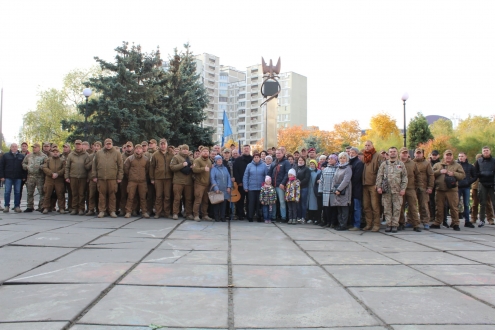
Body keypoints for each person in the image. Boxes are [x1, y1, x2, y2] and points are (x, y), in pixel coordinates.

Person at [430, 150, 465, 231]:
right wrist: (439, 171)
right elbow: (431, 174)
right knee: (439, 207)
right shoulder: (437, 165)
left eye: (450, 155)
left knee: (454, 207)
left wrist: (454, 174)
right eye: (447, 155)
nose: (448, 157)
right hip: (440, 189)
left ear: (452, 156)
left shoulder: (457, 165)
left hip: (452, 190)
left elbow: (462, 175)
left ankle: (455, 223)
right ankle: (437, 222)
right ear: (444, 156)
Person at [376, 147, 408, 233]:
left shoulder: (401, 164)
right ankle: (388, 224)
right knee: (387, 208)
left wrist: (403, 188)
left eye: (394, 151)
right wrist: (378, 187)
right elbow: (380, 176)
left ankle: (394, 225)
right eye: (391, 152)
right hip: (387, 190)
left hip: (397, 190)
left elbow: (404, 177)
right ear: (388, 154)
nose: (392, 153)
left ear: (397, 153)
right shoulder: (384, 164)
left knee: (397, 208)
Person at [92, 138, 124, 218]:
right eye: (107, 144)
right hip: (101, 178)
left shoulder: (117, 153)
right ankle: (102, 211)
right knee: (101, 195)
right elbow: (94, 166)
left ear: (112, 144)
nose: (108, 145)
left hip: (112, 178)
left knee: (112, 195)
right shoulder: (99, 153)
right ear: (104, 144)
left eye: (110, 144)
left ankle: (112, 211)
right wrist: (94, 176)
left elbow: (120, 166)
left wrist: (119, 177)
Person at [398, 147, 422, 232]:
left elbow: (418, 175)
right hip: (399, 189)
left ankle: (416, 224)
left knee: (413, 207)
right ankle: (401, 223)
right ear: (400, 154)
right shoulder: (397, 163)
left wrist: (419, 186)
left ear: (408, 154)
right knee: (400, 207)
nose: (404, 154)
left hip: (411, 188)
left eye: (406, 153)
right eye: (403, 153)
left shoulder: (413, 163)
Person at [65, 140, 91, 215]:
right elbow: (67, 166)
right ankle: (74, 208)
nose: (78, 146)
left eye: (79, 144)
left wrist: (88, 177)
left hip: (83, 177)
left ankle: (81, 209)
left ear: (81, 145)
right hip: (73, 176)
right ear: (74, 145)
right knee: (74, 193)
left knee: (82, 194)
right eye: (76, 144)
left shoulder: (86, 155)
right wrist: (67, 176)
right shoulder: (71, 155)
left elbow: (88, 167)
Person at [150, 139, 175, 219]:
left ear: (167, 145)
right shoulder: (155, 155)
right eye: (161, 144)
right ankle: (158, 213)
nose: (163, 146)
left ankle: (167, 213)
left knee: (167, 196)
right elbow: (151, 167)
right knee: (158, 196)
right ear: (159, 145)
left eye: (164, 144)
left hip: (168, 178)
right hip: (158, 178)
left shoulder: (171, 154)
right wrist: (152, 178)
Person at [123, 144, 150, 218]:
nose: (138, 150)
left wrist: (143, 176)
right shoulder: (130, 158)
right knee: (130, 197)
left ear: (142, 150)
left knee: (143, 197)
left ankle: (144, 212)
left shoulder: (146, 159)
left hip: (142, 181)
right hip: (132, 181)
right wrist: (130, 176)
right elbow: (125, 169)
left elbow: (147, 169)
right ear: (134, 150)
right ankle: (128, 211)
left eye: (140, 148)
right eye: (137, 148)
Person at [412, 148, 435, 229]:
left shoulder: (427, 163)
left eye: (419, 153)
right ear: (414, 154)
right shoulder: (411, 163)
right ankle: (411, 221)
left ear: (422, 154)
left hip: (423, 187)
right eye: (416, 153)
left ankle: (425, 221)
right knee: (412, 205)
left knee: (424, 205)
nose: (418, 154)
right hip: (413, 187)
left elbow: (431, 176)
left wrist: (430, 187)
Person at [362, 140, 382, 231]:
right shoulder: (364, 157)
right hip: (364, 185)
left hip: (374, 185)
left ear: (372, 146)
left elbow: (381, 172)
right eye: (365, 145)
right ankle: (368, 224)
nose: (367, 147)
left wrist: (378, 184)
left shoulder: (378, 156)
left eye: (368, 145)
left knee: (375, 206)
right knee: (366, 206)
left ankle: (376, 224)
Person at [170, 144, 194, 220]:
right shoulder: (176, 157)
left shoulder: (190, 159)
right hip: (178, 182)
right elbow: (172, 167)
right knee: (177, 198)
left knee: (188, 199)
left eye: (186, 149)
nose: (185, 150)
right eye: (184, 149)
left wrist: (193, 167)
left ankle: (188, 213)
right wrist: (182, 165)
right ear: (181, 150)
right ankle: (175, 213)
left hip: (188, 182)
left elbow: (194, 169)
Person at [0, 143, 26, 213]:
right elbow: (1, 166)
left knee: (17, 192)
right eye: (13, 147)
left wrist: (24, 176)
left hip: (18, 177)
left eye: (15, 147)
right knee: (7, 192)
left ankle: (17, 206)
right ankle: (6, 206)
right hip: (8, 177)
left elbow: (24, 167)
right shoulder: (6, 156)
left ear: (17, 148)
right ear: (10, 147)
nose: (14, 148)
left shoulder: (21, 156)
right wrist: (1, 176)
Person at [22, 143, 47, 212]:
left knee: (41, 192)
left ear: (39, 148)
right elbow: (23, 163)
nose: (34, 148)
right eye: (33, 147)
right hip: (30, 176)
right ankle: (30, 206)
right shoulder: (29, 156)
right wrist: (26, 167)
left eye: (35, 147)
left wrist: (41, 167)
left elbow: (46, 164)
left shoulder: (44, 156)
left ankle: (41, 206)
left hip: (40, 176)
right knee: (29, 192)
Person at [268, 148, 291, 223]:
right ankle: (273, 216)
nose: (277, 154)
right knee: (273, 202)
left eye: (279, 153)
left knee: (282, 202)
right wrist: (268, 181)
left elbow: (287, 173)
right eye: (277, 153)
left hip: (280, 185)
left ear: (283, 154)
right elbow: (269, 173)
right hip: (273, 185)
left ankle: (283, 217)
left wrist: (283, 183)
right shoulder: (274, 162)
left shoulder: (286, 162)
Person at [243, 152, 267, 222]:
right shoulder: (249, 165)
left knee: (259, 203)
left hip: (261, 188)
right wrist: (246, 187)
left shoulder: (263, 165)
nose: (256, 158)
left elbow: (266, 176)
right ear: (253, 158)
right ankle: (250, 216)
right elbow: (246, 176)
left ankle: (259, 217)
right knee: (251, 202)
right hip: (251, 188)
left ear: (260, 158)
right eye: (255, 157)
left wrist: (266, 185)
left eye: (257, 157)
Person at [474, 146, 495, 227]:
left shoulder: (493, 161)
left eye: (487, 150)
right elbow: (475, 172)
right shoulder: (479, 161)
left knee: (494, 203)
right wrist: (480, 175)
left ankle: (492, 219)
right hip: (483, 183)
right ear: (482, 152)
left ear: (490, 151)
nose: (486, 152)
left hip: (492, 184)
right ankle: (481, 220)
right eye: (484, 151)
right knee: (482, 203)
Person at [332, 152, 353, 231]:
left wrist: (339, 189)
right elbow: (334, 178)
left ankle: (343, 225)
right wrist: (333, 188)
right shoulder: (338, 168)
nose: (342, 160)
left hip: (344, 190)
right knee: (339, 209)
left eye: (344, 158)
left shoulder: (348, 168)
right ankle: (340, 223)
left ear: (347, 159)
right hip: (337, 191)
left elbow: (346, 180)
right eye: (341, 158)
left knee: (344, 209)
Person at [41, 147, 66, 214]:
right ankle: (46, 207)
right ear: (52, 153)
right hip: (49, 179)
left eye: (56, 152)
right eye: (54, 152)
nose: (55, 153)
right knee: (47, 194)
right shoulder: (48, 160)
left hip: (59, 179)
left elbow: (64, 168)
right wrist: (51, 173)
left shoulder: (62, 160)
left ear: (59, 153)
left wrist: (58, 173)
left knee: (60, 194)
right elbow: (44, 167)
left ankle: (61, 208)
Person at [192, 146, 213, 221]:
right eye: (204, 151)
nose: (205, 153)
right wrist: (203, 169)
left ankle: (205, 215)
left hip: (207, 184)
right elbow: (194, 169)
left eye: (207, 152)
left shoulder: (209, 161)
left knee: (205, 200)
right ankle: (196, 215)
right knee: (198, 200)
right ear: (201, 152)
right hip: (199, 184)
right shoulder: (197, 160)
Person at [457, 152, 477, 227]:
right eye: (459, 156)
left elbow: (475, 176)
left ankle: (467, 221)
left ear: (466, 157)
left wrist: (469, 182)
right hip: (457, 187)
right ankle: (455, 221)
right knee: (455, 204)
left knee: (466, 204)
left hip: (466, 187)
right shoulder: (456, 165)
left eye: (462, 156)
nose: (460, 157)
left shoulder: (470, 166)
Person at [233, 145, 253, 220]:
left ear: (250, 149)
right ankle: (240, 214)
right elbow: (236, 171)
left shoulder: (253, 159)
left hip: (251, 184)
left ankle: (249, 214)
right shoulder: (238, 160)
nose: (246, 150)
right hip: (241, 183)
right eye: (245, 149)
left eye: (247, 148)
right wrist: (239, 182)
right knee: (240, 200)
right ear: (242, 150)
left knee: (249, 200)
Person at [210, 155, 232, 222]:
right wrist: (216, 188)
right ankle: (216, 217)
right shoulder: (213, 169)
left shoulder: (225, 168)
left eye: (220, 160)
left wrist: (229, 186)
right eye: (218, 160)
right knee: (217, 203)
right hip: (217, 188)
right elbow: (212, 178)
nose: (219, 161)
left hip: (225, 188)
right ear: (216, 161)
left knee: (223, 203)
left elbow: (228, 177)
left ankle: (223, 217)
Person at [319, 155, 339, 227]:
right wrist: (320, 190)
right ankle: (328, 221)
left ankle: (333, 222)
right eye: (329, 159)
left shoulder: (338, 168)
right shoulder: (325, 169)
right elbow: (321, 180)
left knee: (333, 208)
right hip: (325, 191)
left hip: (333, 191)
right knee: (326, 208)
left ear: (336, 160)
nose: (330, 160)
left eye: (332, 159)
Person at [86, 141, 101, 216]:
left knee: (100, 195)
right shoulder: (90, 156)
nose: (96, 147)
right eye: (95, 146)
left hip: (101, 179)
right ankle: (91, 209)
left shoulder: (103, 156)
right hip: (92, 179)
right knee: (91, 195)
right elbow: (86, 167)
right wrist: (93, 161)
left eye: (98, 146)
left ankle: (99, 209)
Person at [295, 157, 310, 223]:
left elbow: (307, 178)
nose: (300, 161)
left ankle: (303, 217)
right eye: (299, 160)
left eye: (301, 160)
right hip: (296, 188)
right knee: (297, 203)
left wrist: (300, 182)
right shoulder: (296, 168)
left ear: (304, 161)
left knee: (303, 203)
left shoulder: (306, 169)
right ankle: (298, 217)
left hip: (304, 188)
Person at [429, 150, 441, 226]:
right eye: (433, 154)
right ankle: (431, 216)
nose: (434, 156)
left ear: (438, 155)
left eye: (435, 155)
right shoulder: (428, 163)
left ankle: (439, 217)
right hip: (430, 185)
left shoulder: (441, 163)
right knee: (430, 202)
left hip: (438, 184)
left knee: (438, 202)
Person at [307, 159, 321, 224]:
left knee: (315, 204)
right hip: (309, 190)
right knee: (309, 204)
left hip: (315, 190)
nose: (312, 165)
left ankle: (316, 218)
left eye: (313, 164)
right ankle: (310, 217)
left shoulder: (319, 172)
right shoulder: (308, 171)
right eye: (311, 164)